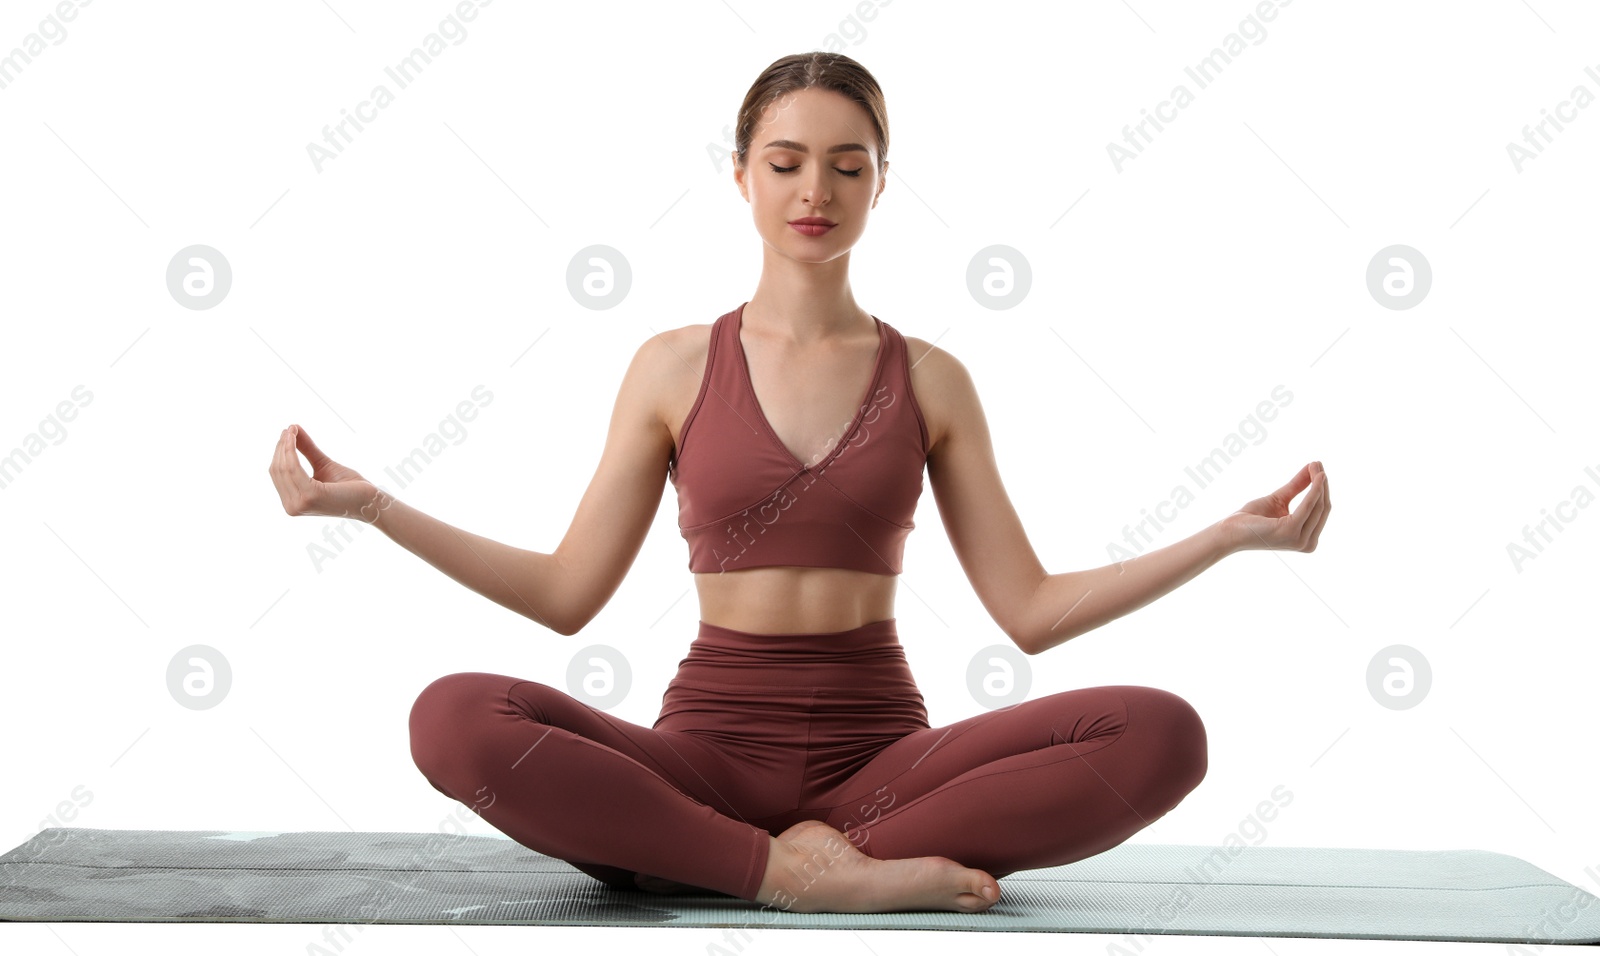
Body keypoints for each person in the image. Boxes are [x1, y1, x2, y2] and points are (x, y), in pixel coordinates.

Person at [267, 51, 1331, 915]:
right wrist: (373, 505)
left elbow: (1032, 611)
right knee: (452, 715)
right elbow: (564, 593)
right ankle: (782, 868)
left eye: (846, 164)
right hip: (707, 756)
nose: (814, 191)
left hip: (887, 768)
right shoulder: (674, 365)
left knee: (1163, 731)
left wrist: (1227, 537)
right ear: (741, 175)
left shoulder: (930, 378)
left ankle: (730, 857)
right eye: (784, 162)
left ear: (879, 181)